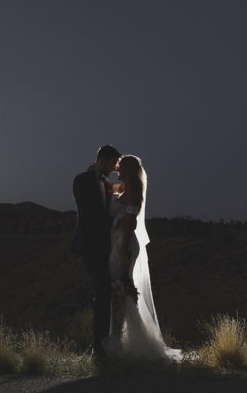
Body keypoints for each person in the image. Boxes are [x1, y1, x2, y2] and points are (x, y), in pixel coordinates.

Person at [101, 154, 181, 362]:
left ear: (129, 169)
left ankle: (119, 340)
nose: (118, 168)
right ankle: (120, 337)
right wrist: (97, 173)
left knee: (119, 290)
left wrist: (123, 251)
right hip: (117, 244)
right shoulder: (126, 187)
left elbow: (130, 223)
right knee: (119, 290)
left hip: (124, 246)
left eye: (121, 166)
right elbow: (109, 187)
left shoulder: (134, 190)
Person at [71, 144, 121, 361]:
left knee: (105, 293)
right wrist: (117, 222)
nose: (114, 168)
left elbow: (120, 190)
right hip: (89, 245)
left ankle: (103, 346)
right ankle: (98, 349)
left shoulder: (106, 184)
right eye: (112, 164)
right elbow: (90, 214)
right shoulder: (81, 181)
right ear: (102, 160)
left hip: (105, 247)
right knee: (102, 290)